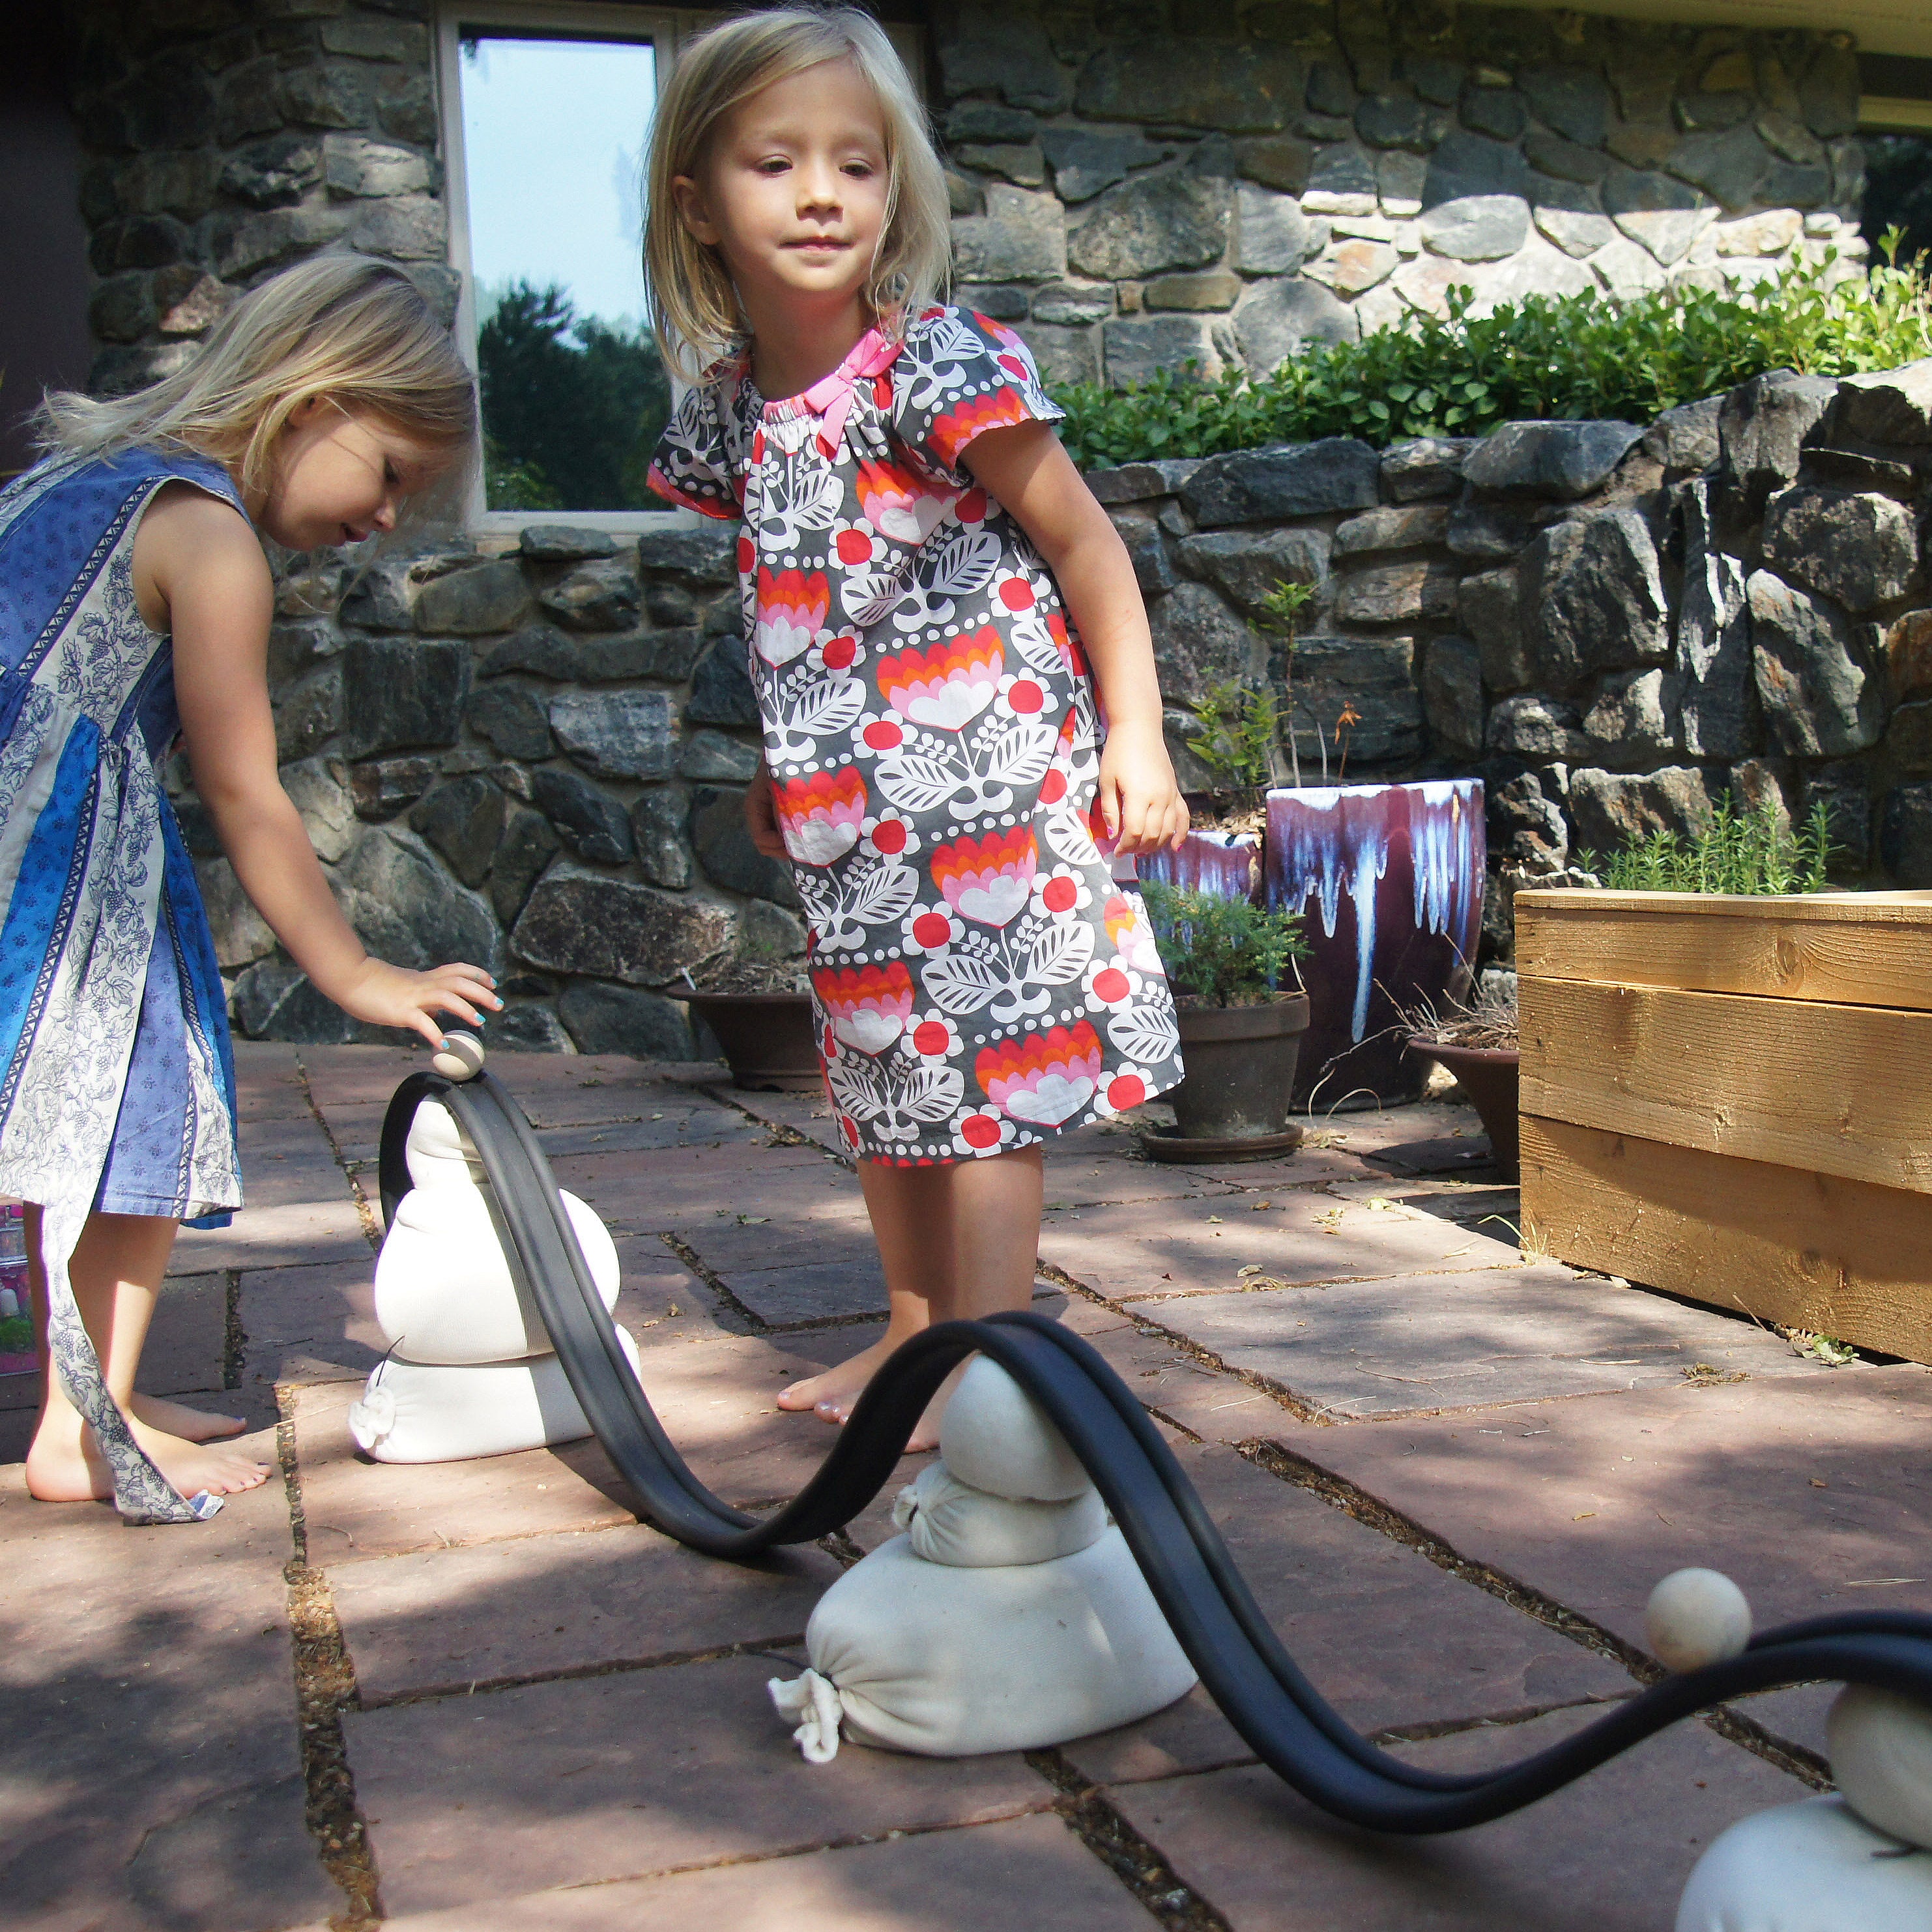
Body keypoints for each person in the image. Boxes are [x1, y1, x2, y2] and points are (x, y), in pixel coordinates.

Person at [644, 7, 1189, 1448]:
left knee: (989, 1079)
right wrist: (783, 753)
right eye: (775, 162)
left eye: (857, 163)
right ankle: (911, 1332)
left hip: (992, 783)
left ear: (897, 188)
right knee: (884, 1074)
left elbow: (1085, 547)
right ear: (697, 206)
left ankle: (990, 1355)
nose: (823, 192)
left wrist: (1134, 734)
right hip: (852, 810)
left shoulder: (929, 363)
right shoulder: (728, 413)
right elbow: (778, 588)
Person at [7, 256, 502, 1521]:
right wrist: (355, 971)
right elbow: (248, 792)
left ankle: (91, 1381)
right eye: (392, 473)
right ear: (313, 399)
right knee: (130, 1109)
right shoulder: (209, 536)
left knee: (52, 1122)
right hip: (66, 874)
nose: (392, 515)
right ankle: (82, 1428)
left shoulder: (75, 476)